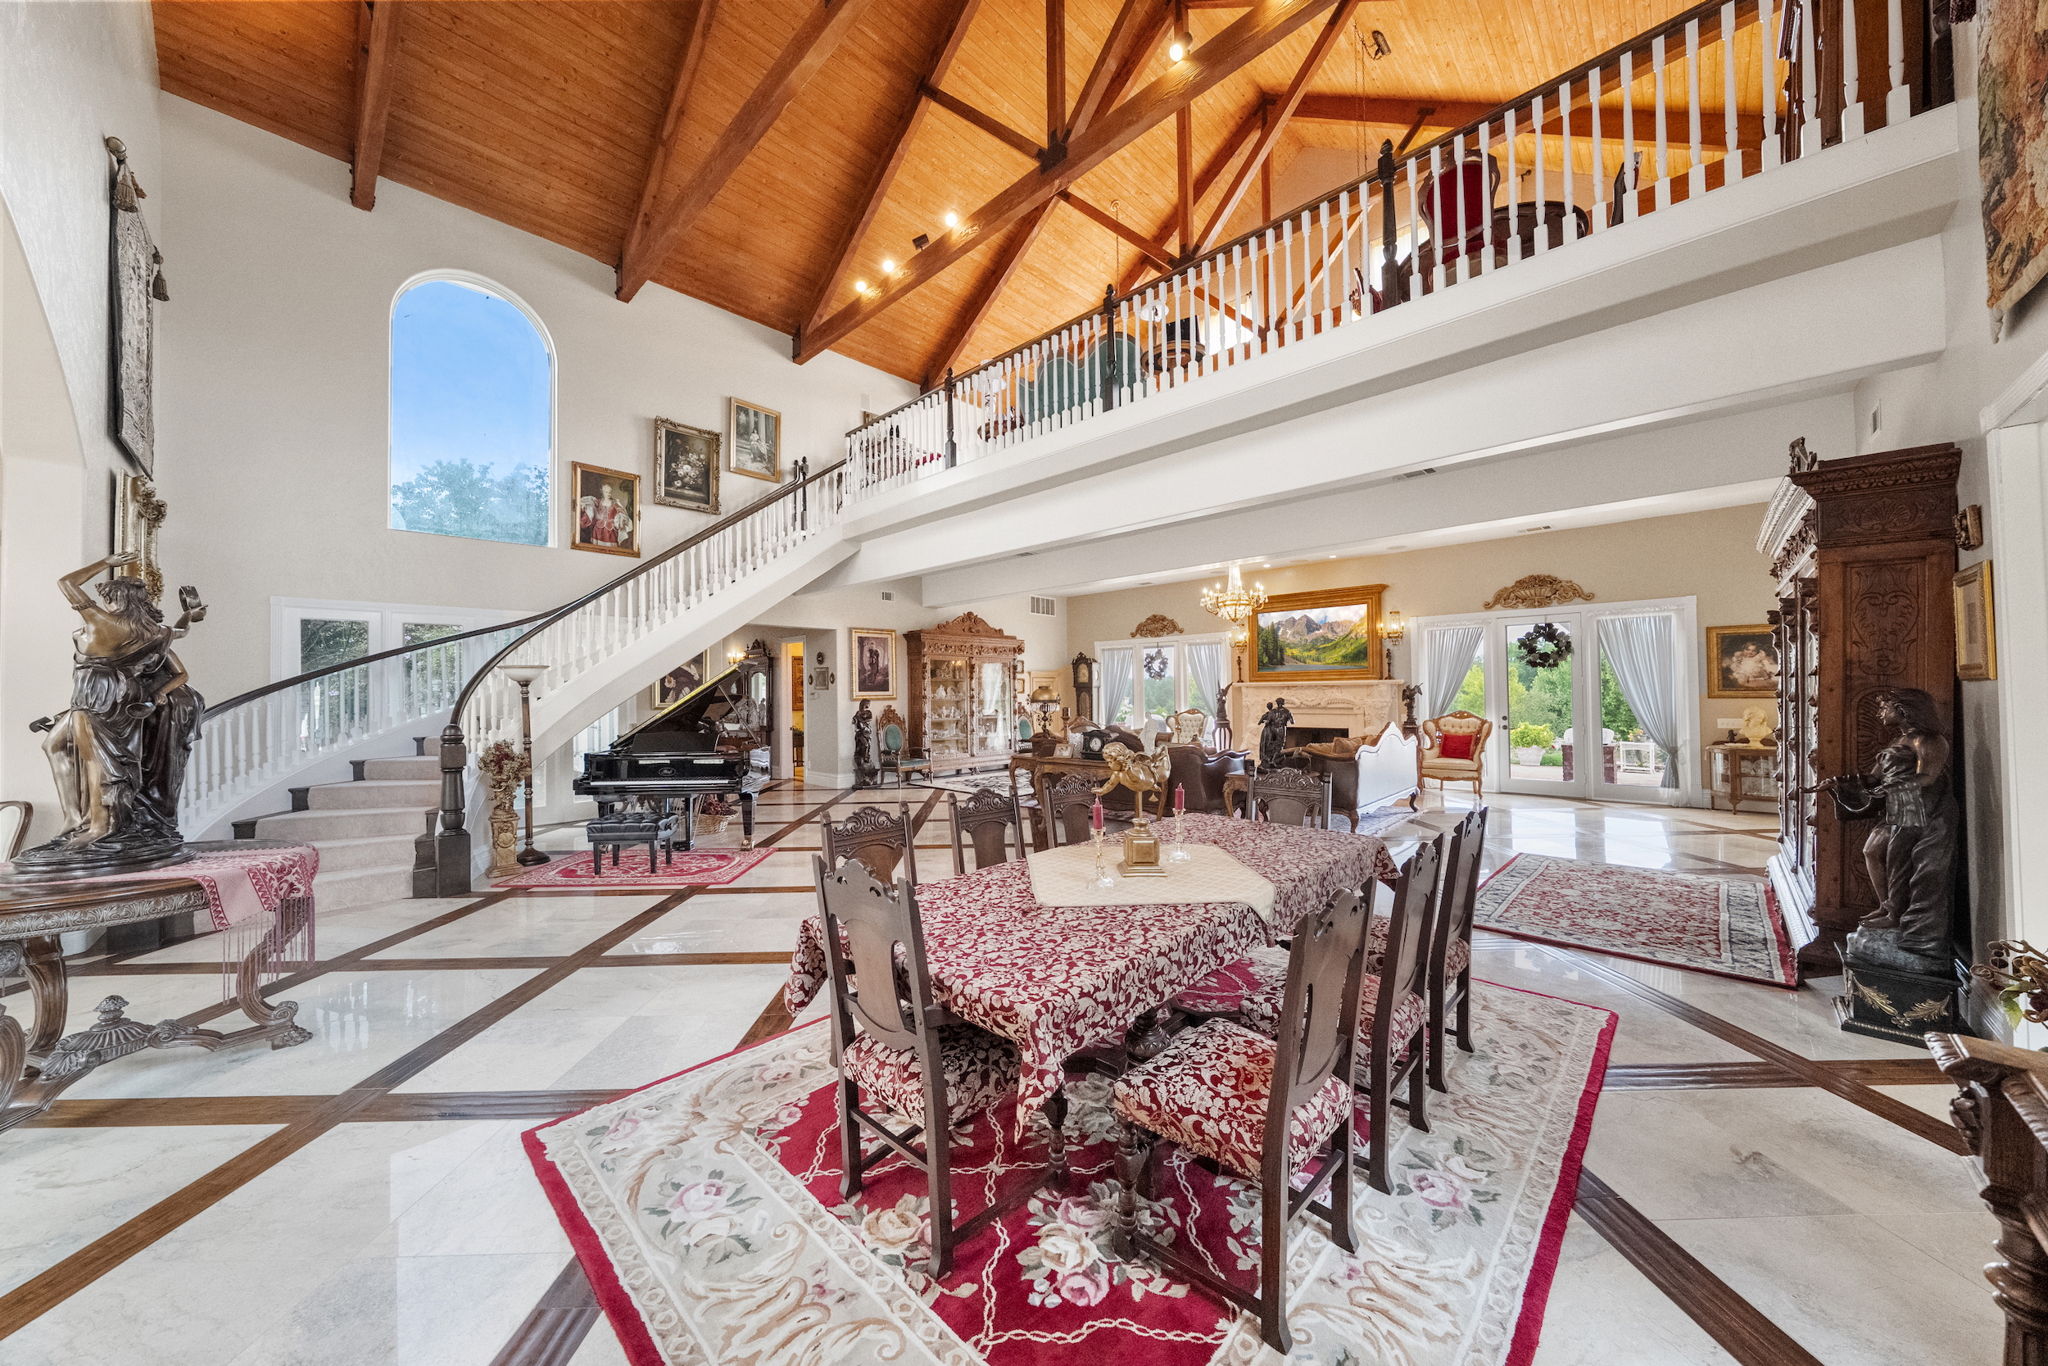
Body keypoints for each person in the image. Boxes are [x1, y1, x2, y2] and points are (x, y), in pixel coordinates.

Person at [24, 553, 204, 868]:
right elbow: (180, 633)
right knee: (54, 744)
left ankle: (99, 827)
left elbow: (66, 583)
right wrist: (189, 615)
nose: (104, 603)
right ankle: (73, 819)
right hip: (114, 693)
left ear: (116, 601)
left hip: (99, 696)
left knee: (100, 762)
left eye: (108, 598)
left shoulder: (102, 621)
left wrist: (107, 562)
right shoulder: (154, 632)